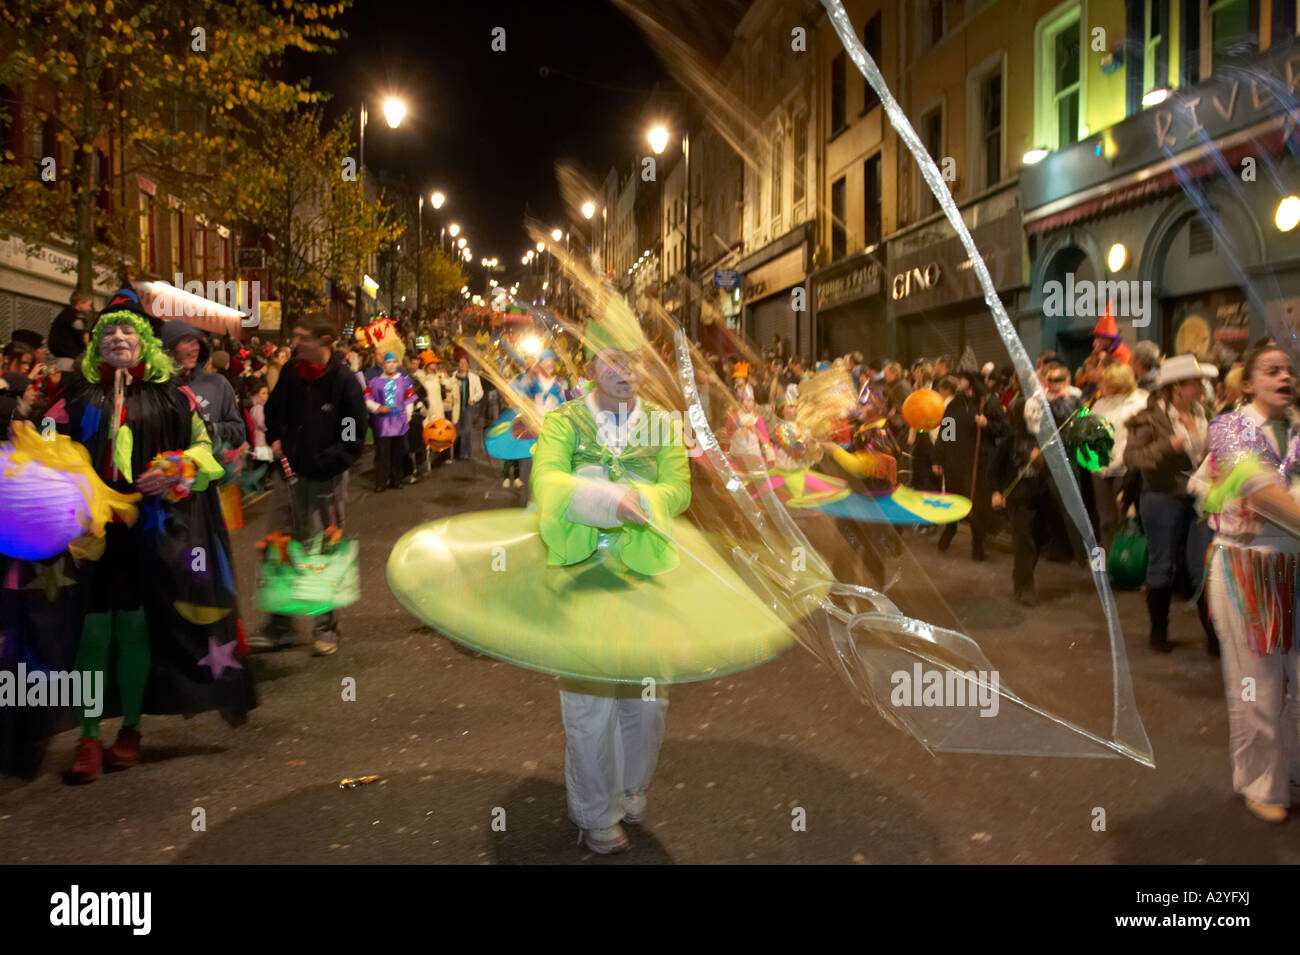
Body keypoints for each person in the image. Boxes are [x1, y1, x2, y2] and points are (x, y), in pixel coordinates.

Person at [57, 288, 256, 782]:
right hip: (88, 534)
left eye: (128, 330)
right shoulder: (72, 396)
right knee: (92, 633)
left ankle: (129, 729)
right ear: (96, 343)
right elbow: (41, 452)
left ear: (145, 340)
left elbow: (209, 456)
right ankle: (87, 735)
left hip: (154, 535)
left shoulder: (174, 396)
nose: (119, 337)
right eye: (109, 331)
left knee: (135, 630)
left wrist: (176, 468)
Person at [531, 321, 689, 855]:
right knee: (589, 703)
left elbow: (679, 488)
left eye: (636, 361)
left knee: (647, 702)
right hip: (582, 577)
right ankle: (596, 812)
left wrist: (646, 502)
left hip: (645, 576)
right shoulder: (562, 424)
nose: (626, 372)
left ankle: (630, 787)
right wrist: (605, 500)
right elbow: (549, 481)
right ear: (591, 366)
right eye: (613, 360)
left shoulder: (665, 427)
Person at [1191, 345, 1300, 822]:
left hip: (1296, 568)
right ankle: (1262, 782)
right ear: (1249, 383)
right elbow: (1263, 494)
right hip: (1247, 570)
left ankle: (1292, 766)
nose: (1285, 376)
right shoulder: (1229, 427)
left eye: (1290, 370)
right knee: (1257, 682)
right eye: (1271, 370)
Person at [256, 312, 366, 655]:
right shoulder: (291, 372)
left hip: (325, 482)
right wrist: (275, 440)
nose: (296, 342)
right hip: (287, 475)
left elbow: (352, 435)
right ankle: (279, 626)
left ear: (325, 341)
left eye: (303, 337)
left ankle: (326, 627)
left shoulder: (344, 382)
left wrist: (327, 463)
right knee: (280, 548)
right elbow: (272, 412)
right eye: (295, 336)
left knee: (322, 551)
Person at [1124, 354, 1218, 653]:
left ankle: (1215, 638)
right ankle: (1158, 632)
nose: (1201, 388)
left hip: (1201, 498)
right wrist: (1167, 445)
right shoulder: (1149, 418)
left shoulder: (1207, 413)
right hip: (1163, 497)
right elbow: (1133, 458)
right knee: (1162, 565)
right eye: (1195, 383)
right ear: (1177, 388)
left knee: (1204, 565)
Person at [933, 370, 1006, 561]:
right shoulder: (955, 404)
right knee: (952, 500)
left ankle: (978, 543)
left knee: (979, 505)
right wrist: (939, 458)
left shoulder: (988, 403)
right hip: (954, 463)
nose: (957, 382)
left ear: (971, 382)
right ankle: (949, 530)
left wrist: (987, 424)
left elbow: (1005, 429)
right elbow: (946, 432)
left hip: (979, 464)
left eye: (961, 379)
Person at [160, 319, 246, 453]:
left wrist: (212, 428)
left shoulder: (217, 384)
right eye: (187, 341)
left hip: (207, 469)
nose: (195, 348)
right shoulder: (156, 387)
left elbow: (238, 432)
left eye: (197, 343)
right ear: (168, 348)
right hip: (166, 468)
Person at [1090, 362, 1148, 548]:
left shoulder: (1140, 402)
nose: (1100, 386)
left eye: (1104, 382)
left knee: (1125, 518)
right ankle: (1109, 566)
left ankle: (1126, 564)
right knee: (1106, 521)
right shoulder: (1099, 404)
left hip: (1125, 470)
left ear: (1117, 383)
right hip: (1100, 470)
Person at [364, 352, 416, 492]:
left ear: (397, 364)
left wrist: (408, 417)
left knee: (397, 453)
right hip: (382, 425)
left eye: (394, 362)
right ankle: (381, 482)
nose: (391, 365)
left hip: (399, 424)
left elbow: (409, 401)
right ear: (383, 365)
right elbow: (368, 399)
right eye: (388, 362)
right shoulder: (375, 382)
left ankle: (396, 479)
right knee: (382, 455)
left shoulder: (405, 381)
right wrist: (378, 407)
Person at [48, 290, 93, 372]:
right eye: (89, 304)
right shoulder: (77, 317)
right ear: (80, 303)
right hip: (70, 361)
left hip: (57, 359)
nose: (90, 308)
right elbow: (85, 338)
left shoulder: (63, 314)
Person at [450, 354, 483, 462]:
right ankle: (456, 453)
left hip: (468, 406)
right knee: (456, 428)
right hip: (456, 406)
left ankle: (466, 452)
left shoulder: (474, 377)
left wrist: (473, 399)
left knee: (467, 429)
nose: (462, 365)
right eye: (460, 363)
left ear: (468, 365)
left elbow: (480, 392)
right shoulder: (454, 375)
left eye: (464, 363)